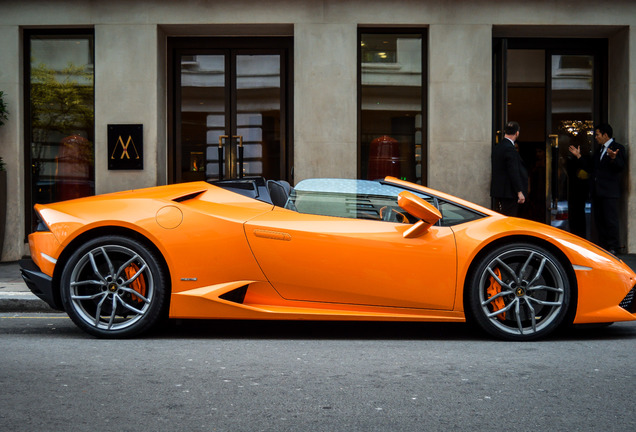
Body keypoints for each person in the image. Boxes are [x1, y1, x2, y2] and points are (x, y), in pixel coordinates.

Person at [568, 123, 626, 254]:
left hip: (609, 192)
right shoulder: (599, 150)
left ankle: (613, 247)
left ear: (605, 135)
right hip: (598, 192)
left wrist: (613, 158)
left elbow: (620, 166)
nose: (596, 137)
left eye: (598, 134)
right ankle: (603, 247)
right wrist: (579, 156)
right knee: (599, 221)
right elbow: (591, 168)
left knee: (610, 220)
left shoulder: (618, 148)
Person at [491, 121, 528, 217]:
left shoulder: (498, 147)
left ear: (505, 132)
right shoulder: (509, 148)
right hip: (509, 193)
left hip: (499, 191)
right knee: (509, 220)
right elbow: (513, 171)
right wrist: (519, 192)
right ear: (517, 133)